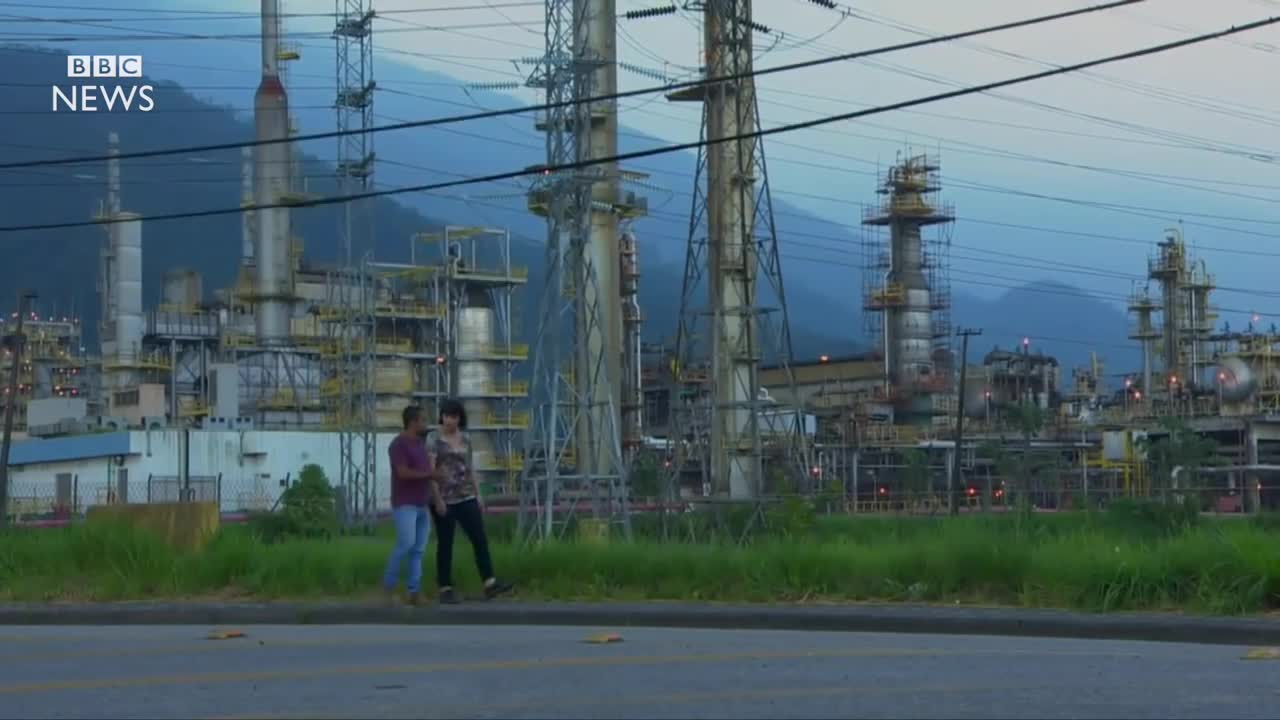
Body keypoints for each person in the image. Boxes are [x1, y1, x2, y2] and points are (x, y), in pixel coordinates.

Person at [427, 397, 513, 604]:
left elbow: (471, 468)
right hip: (444, 498)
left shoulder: (466, 439)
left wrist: (478, 494)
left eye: (454, 417)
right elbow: (431, 471)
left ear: (459, 418)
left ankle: (489, 582)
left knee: (479, 539)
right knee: (445, 544)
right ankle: (445, 587)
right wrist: (437, 499)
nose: (450, 421)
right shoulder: (433, 439)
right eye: (447, 416)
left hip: (466, 496)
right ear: (442, 417)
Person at [382, 404, 446, 606]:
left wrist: (437, 499)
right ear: (413, 422)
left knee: (418, 550)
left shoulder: (420, 445)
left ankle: (414, 592)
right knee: (405, 544)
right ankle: (388, 587)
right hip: (405, 504)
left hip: (422, 504)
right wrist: (431, 474)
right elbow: (403, 472)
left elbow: (429, 476)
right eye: (423, 420)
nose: (426, 424)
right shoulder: (398, 445)